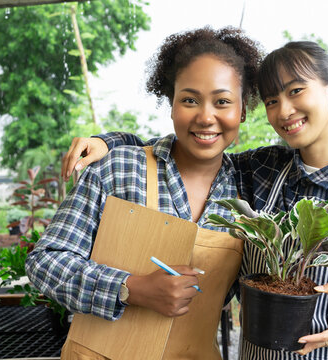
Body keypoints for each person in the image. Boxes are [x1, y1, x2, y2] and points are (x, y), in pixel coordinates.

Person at [61, 41, 328, 360]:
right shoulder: (262, 173)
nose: (285, 111)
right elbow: (188, 147)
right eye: (272, 100)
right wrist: (111, 143)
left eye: (296, 91)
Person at [25, 26, 263, 359]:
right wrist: (130, 288)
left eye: (222, 101)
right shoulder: (120, 169)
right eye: (189, 100)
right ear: (171, 104)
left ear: (242, 110)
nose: (206, 117)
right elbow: (45, 262)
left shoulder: (248, 194)